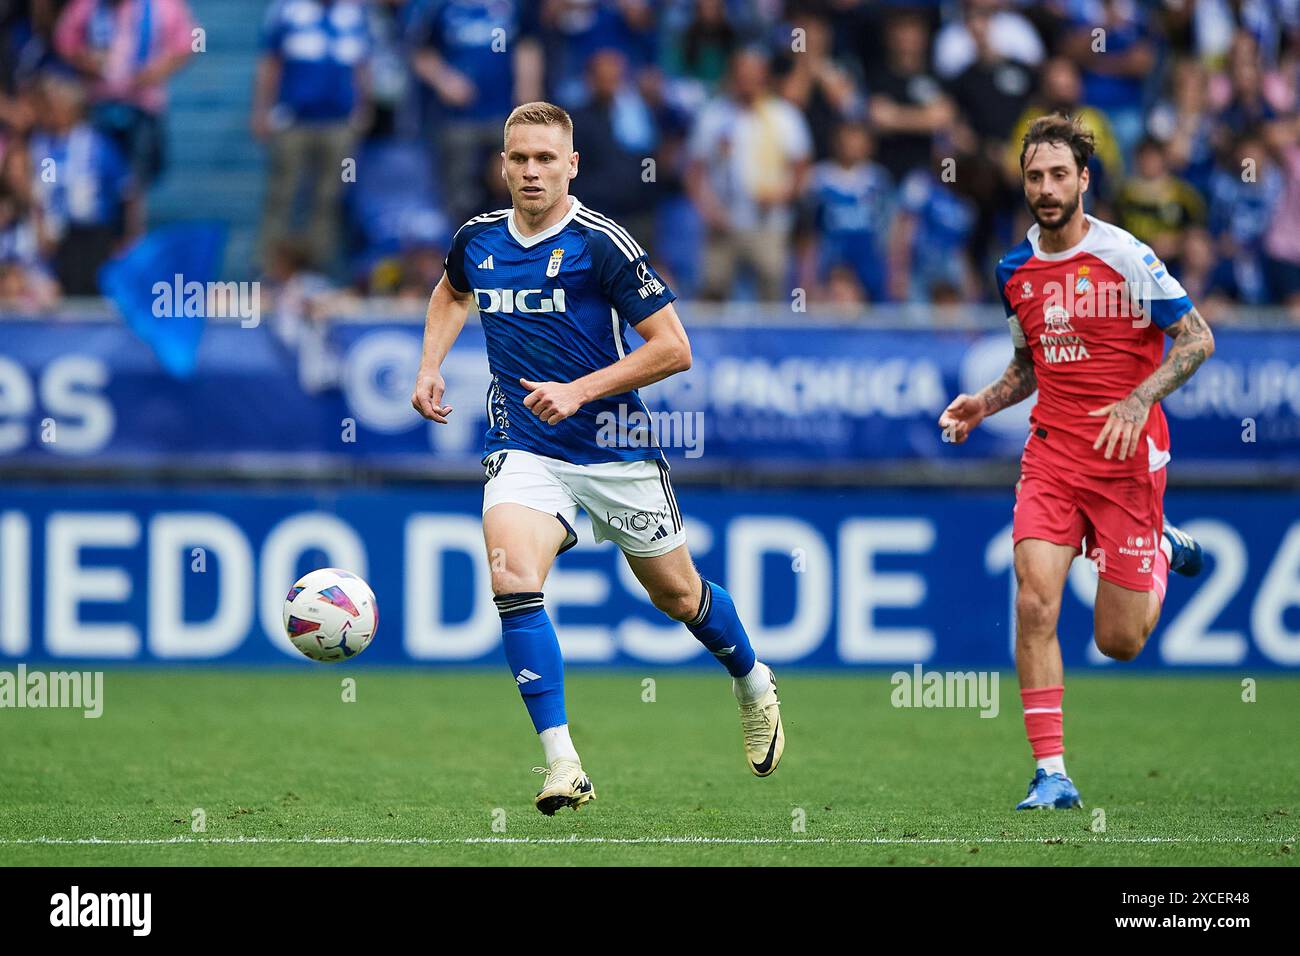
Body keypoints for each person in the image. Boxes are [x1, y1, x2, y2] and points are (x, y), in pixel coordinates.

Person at [409, 102, 784, 815]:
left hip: (613, 448)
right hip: (523, 443)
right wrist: (429, 365)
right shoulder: (478, 240)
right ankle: (562, 763)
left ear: (571, 165)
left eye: (546, 159)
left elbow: (675, 348)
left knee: (677, 596)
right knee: (512, 574)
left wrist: (580, 390)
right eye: (519, 158)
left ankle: (751, 679)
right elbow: (452, 290)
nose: (531, 171)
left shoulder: (601, 243)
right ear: (502, 163)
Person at [938, 114, 1215, 811]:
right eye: (1035, 175)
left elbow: (1197, 340)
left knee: (1118, 640)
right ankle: (1051, 773)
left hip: (1125, 461)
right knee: (1034, 602)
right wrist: (985, 402)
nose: (1047, 187)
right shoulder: (1014, 272)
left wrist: (1138, 397)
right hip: (1053, 456)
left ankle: (1158, 544)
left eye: (1060, 174)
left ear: (1084, 179)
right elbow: (1029, 366)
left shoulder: (1126, 256)